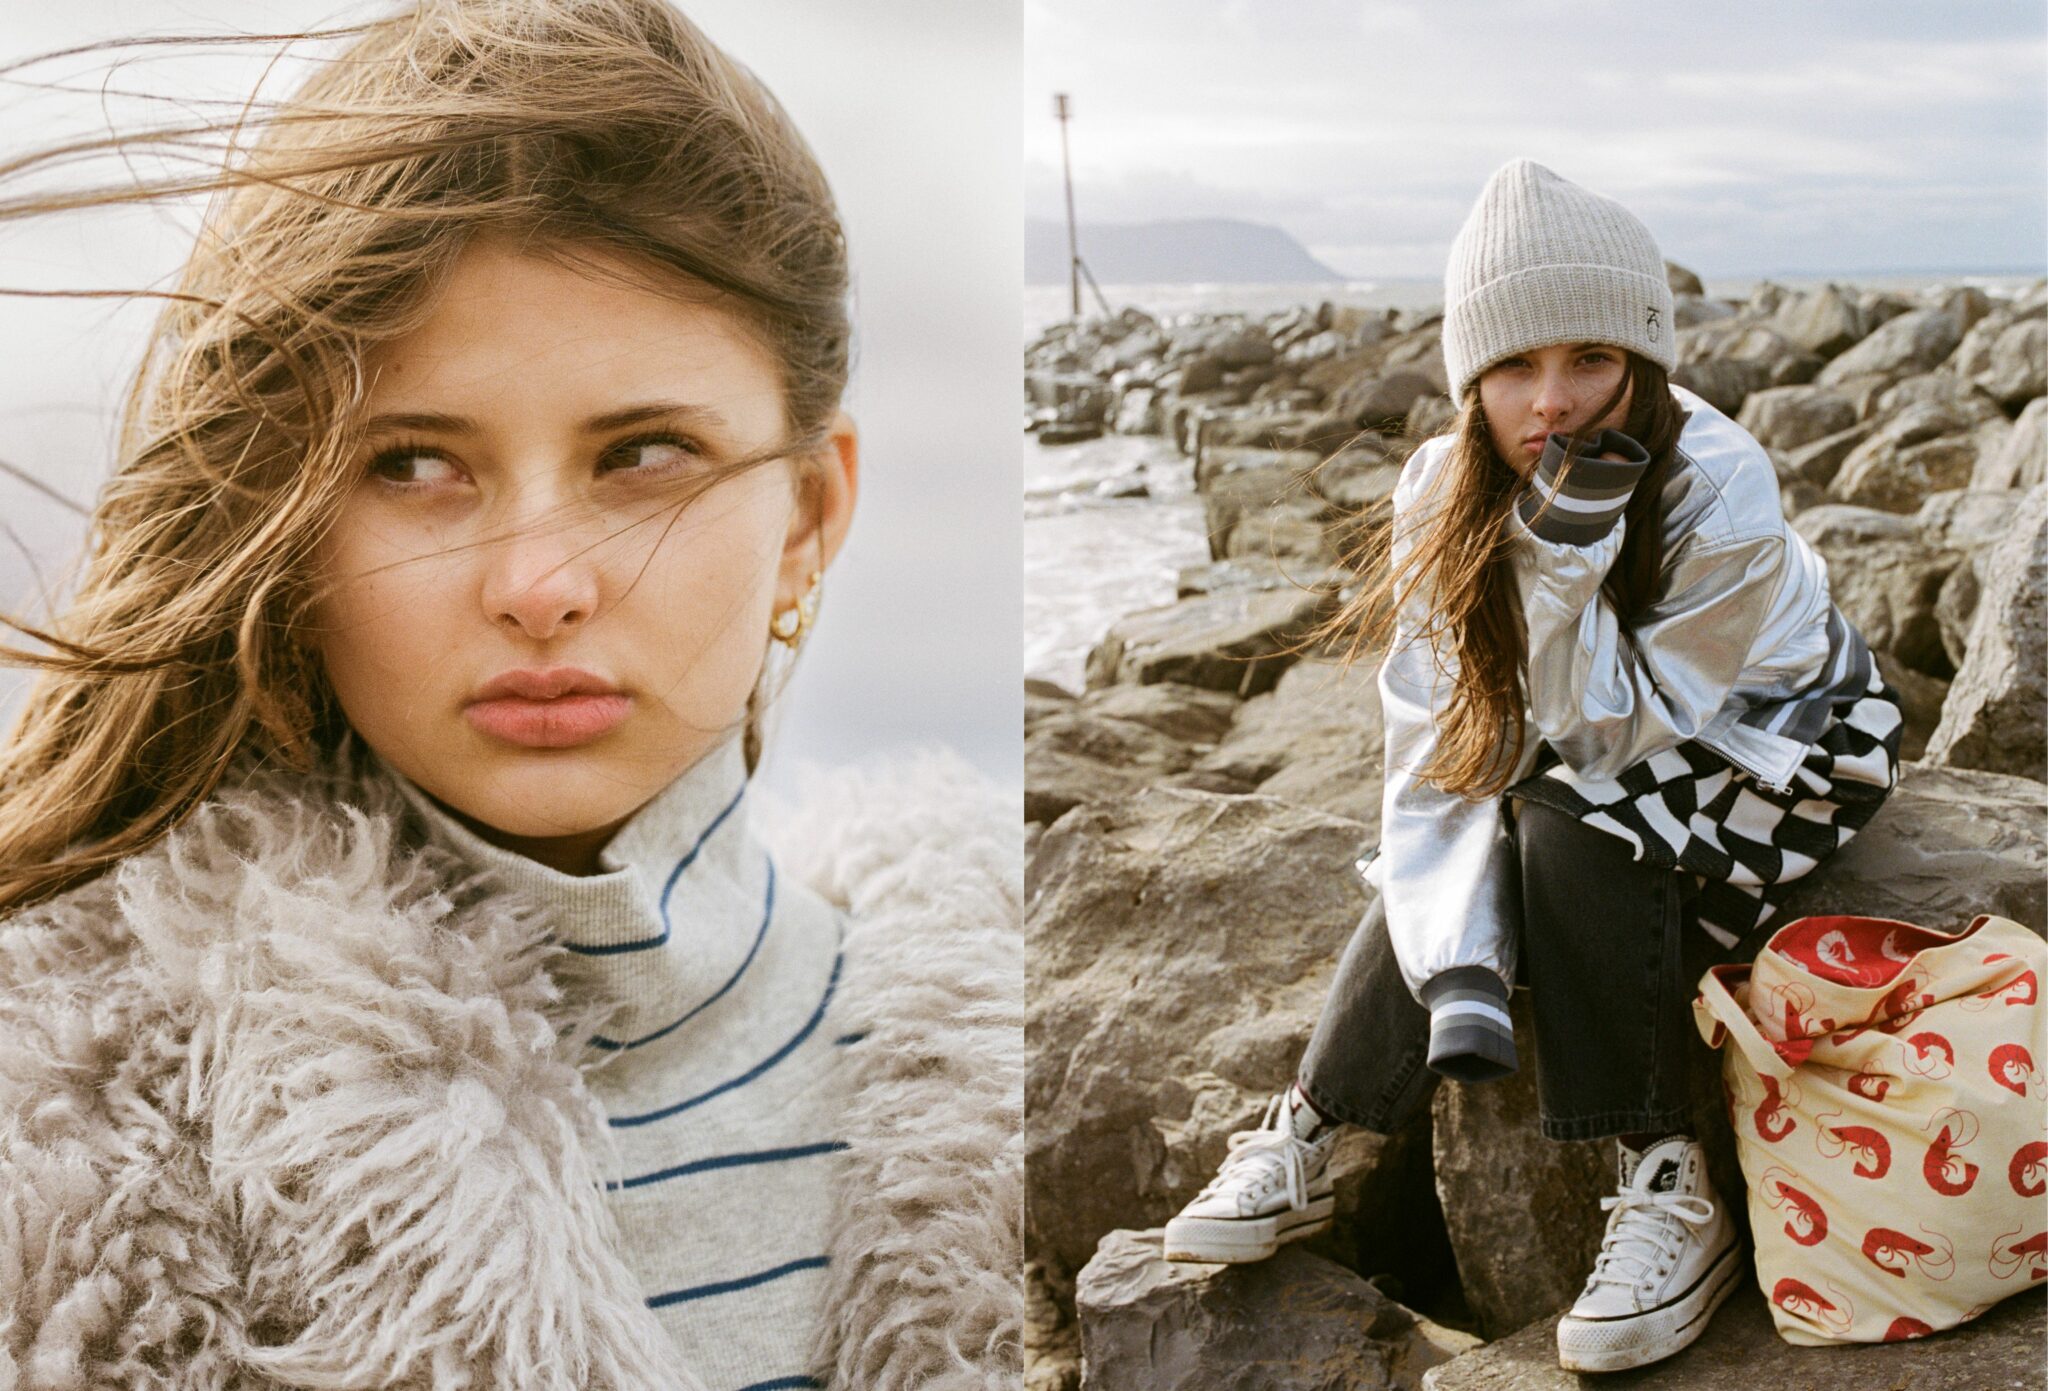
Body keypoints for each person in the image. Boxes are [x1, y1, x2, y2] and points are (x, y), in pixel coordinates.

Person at [0, 4, 1020, 1388]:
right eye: (417, 465)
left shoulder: (1027, 1082)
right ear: (284, 514)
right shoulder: (53, 1132)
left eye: (644, 453)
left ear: (808, 511)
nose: (540, 583)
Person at [1162, 159, 1901, 1373]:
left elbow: (1623, 734)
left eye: (1587, 361)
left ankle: (1666, 1178)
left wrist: (1557, 557)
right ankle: (1308, 1125)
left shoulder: (1713, 481)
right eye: (1511, 366)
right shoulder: (1441, 487)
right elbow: (1443, 749)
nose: (1549, 404)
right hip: (1588, 744)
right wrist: (1456, 959)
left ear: (1641, 362)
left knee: (1558, 811)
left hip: (1780, 740)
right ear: (1468, 380)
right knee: (1496, 810)